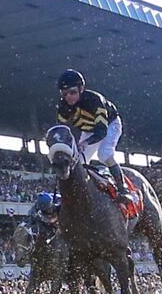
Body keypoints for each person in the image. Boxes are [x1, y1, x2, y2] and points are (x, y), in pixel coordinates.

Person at [55, 69, 132, 206]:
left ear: (81, 89)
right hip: (88, 129)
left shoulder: (94, 100)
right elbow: (61, 129)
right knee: (78, 161)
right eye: (64, 93)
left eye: (72, 92)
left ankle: (123, 189)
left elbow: (101, 132)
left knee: (104, 153)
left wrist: (85, 142)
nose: (68, 97)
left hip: (109, 125)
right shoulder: (63, 107)